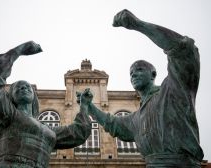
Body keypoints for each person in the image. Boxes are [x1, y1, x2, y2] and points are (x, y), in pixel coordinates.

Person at [81, 9, 204, 167]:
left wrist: (138, 25)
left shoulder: (173, 91)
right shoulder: (136, 118)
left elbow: (184, 51)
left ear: (153, 74)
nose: (133, 75)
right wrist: (88, 105)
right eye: (131, 73)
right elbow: (112, 123)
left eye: (139, 70)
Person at [0, 41, 92, 168]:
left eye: (27, 86)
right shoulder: (7, 115)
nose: (24, 88)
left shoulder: (47, 130)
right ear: (10, 96)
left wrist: (84, 106)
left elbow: (78, 133)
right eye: (18, 87)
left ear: (34, 96)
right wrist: (19, 50)